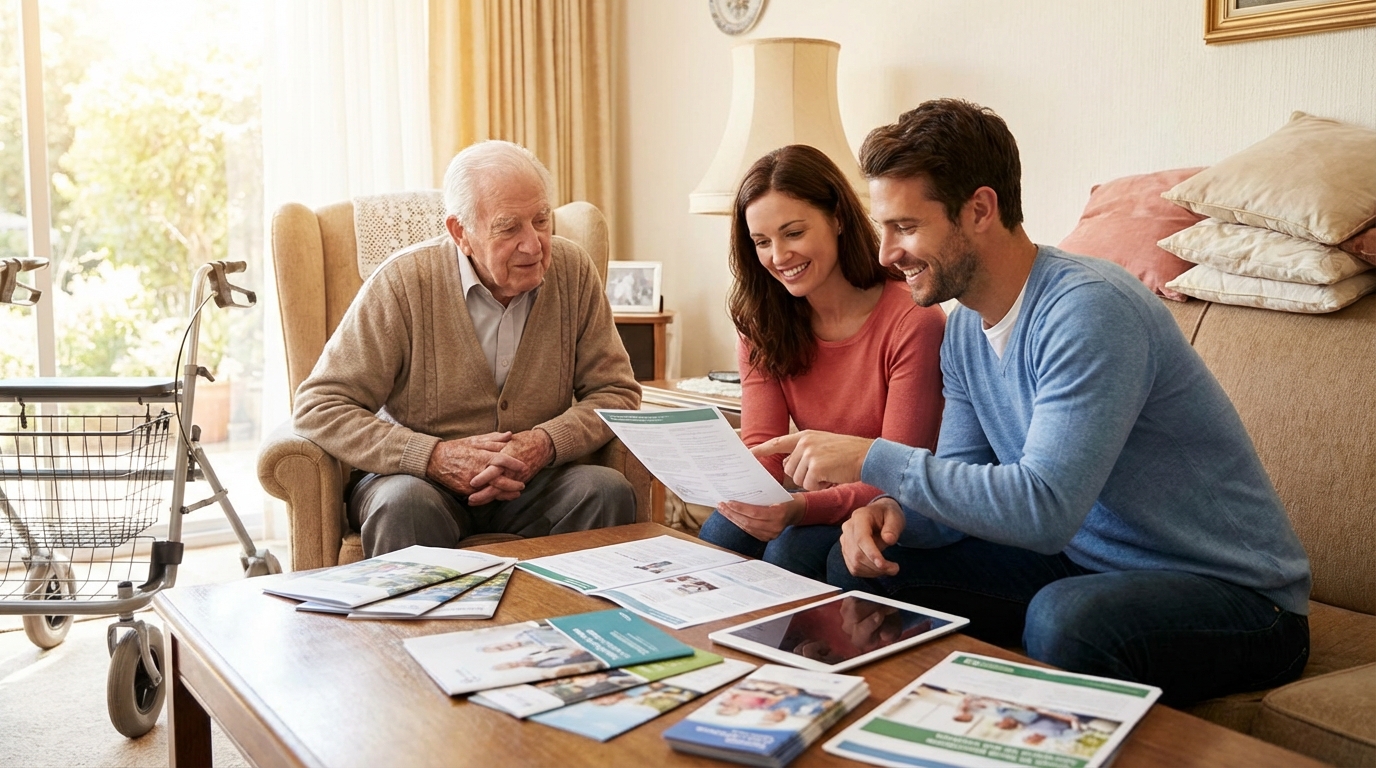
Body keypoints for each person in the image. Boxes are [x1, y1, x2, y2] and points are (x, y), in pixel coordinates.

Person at [754, 99, 1311, 705]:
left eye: (906, 227)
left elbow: (1043, 509)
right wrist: (892, 510)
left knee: (1064, 619)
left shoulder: (1089, 310)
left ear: (980, 210)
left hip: (1236, 595)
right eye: (883, 226)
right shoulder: (966, 326)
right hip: (1085, 559)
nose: (887, 252)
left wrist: (874, 461)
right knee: (853, 561)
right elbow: (964, 480)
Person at [293, 140, 640, 557]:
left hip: (534, 484)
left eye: (541, 220)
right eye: (509, 227)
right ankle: (418, 626)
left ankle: (573, 622)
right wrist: (432, 456)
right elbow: (319, 406)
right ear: (461, 232)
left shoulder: (574, 271)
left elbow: (617, 393)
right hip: (421, 483)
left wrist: (543, 443)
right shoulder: (404, 284)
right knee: (403, 504)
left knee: (605, 491)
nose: (533, 244)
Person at [697, 144, 945, 580]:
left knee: (791, 551)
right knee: (722, 531)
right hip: (813, 497)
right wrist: (731, 487)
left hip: (889, 506)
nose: (778, 256)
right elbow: (765, 450)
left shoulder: (913, 319)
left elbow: (898, 474)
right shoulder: (762, 322)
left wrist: (799, 508)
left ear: (838, 218)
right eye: (761, 242)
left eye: (793, 233)